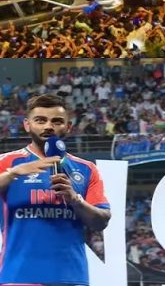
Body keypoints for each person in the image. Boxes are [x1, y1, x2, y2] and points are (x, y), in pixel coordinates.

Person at [0, 94, 111, 286]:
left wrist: (75, 200)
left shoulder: (86, 169)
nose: (48, 126)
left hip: (72, 277)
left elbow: (101, 221)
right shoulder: (7, 163)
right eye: (40, 120)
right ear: (27, 125)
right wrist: (12, 174)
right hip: (19, 276)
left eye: (57, 121)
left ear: (68, 127)